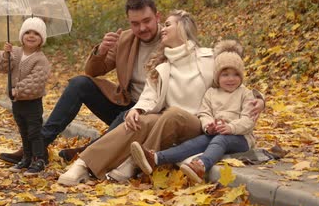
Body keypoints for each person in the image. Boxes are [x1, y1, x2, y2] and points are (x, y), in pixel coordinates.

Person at [57, 10, 265, 186]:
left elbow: (236, 81)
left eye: (168, 24)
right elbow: (149, 97)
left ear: (183, 27)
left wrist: (260, 99)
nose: (162, 29)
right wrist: (136, 111)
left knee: (172, 114)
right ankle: (83, 165)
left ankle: (133, 163)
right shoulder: (161, 67)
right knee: (142, 121)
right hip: (168, 125)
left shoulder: (209, 57)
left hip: (201, 125)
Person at [0, 0, 162, 164]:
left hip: (152, 112)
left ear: (158, 17)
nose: (141, 28)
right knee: (80, 83)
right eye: (135, 23)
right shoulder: (125, 39)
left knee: (125, 115)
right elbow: (92, 71)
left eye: (146, 21)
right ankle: (39, 144)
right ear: (129, 22)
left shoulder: (170, 39)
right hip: (126, 103)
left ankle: (85, 152)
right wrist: (102, 50)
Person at [130, 40, 257, 184]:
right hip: (217, 133)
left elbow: (249, 120)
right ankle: (156, 158)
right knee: (196, 143)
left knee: (220, 140)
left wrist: (230, 128)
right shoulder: (211, 93)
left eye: (236, 74)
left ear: (242, 76)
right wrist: (209, 126)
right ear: (217, 76)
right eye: (225, 74)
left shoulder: (246, 94)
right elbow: (205, 113)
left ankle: (201, 165)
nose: (231, 79)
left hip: (241, 138)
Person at [0, 17, 51, 175]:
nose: (31, 36)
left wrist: (17, 90)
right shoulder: (15, 52)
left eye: (36, 34)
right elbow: (2, 67)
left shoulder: (41, 60)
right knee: (23, 130)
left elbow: (37, 81)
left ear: (41, 39)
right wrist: (5, 54)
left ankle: (39, 159)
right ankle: (26, 157)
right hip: (17, 102)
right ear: (21, 36)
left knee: (34, 131)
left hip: (32, 103)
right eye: (27, 32)